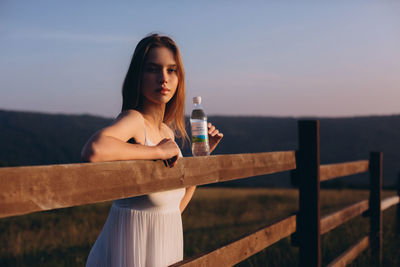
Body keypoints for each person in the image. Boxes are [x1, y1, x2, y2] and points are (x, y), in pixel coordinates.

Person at [81, 33, 223, 267]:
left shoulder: (167, 133)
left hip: (160, 254)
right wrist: (157, 152)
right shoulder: (134, 120)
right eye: (153, 69)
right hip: (123, 256)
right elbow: (94, 150)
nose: (163, 79)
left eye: (171, 70)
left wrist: (200, 159)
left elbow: (172, 210)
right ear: (138, 75)